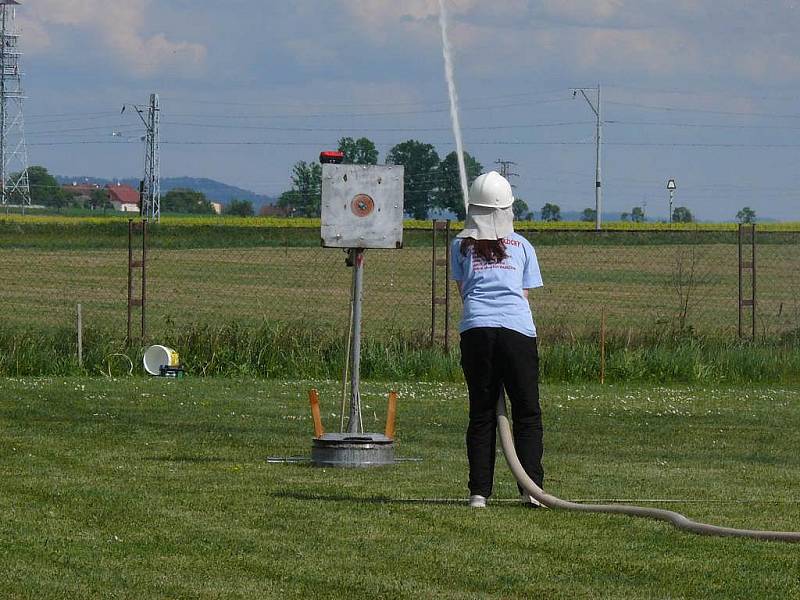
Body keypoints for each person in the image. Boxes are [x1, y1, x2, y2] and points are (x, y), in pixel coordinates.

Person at [450, 171, 544, 509]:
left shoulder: (459, 245)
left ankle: (479, 493)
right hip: (517, 333)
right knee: (527, 413)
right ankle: (532, 490)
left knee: (482, 413)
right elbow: (524, 295)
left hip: (476, 331)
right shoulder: (524, 246)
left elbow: (464, 292)